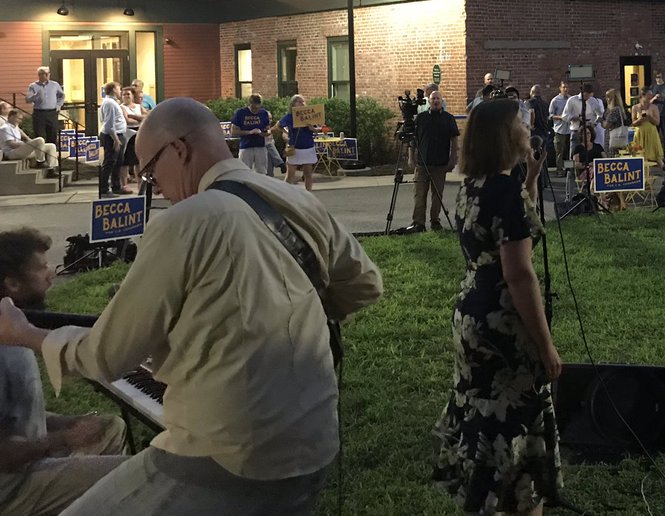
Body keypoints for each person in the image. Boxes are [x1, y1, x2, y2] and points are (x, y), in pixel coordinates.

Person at [0, 97, 383, 514]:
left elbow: (105, 355)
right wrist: (287, 318)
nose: (156, 186)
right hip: (314, 443)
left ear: (179, 150)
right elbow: (363, 285)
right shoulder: (296, 199)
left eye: (150, 172)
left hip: (224, 452)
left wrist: (24, 333)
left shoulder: (184, 221)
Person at [433, 97, 562, 515]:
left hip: (471, 313)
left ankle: (484, 498)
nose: (528, 129)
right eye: (521, 124)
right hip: (504, 321)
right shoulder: (504, 191)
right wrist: (546, 346)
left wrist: (532, 180)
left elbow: (505, 223)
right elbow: (519, 274)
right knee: (514, 421)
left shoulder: (475, 186)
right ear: (507, 136)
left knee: (484, 416)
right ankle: (516, 505)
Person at [0, 227, 129, 515]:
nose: (52, 274)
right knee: (130, 475)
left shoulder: (14, 329)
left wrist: (68, 423)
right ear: (12, 284)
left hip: (24, 462)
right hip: (11, 487)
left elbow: (13, 415)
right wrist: (65, 440)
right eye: (42, 268)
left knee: (111, 428)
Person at [403, 89, 460, 235]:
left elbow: (454, 140)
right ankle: (418, 223)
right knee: (419, 194)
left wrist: (453, 158)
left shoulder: (448, 119)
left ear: (442, 101)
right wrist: (411, 156)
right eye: (433, 99)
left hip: (440, 163)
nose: (435, 101)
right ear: (429, 100)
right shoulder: (420, 118)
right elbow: (413, 140)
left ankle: (435, 221)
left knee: (437, 195)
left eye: (438, 99)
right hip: (422, 163)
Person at [0, 102, 59, 174]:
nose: (20, 121)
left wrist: (30, 142)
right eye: (19, 119)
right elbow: (12, 144)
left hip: (20, 149)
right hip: (12, 153)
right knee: (40, 140)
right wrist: (28, 144)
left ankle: (52, 169)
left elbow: (24, 136)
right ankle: (40, 162)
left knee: (51, 146)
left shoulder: (15, 126)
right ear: (12, 117)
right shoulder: (5, 128)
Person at [276, 94, 318, 191]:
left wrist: (312, 128)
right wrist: (286, 132)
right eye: (299, 101)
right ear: (293, 104)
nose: (302, 103)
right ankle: (286, 193)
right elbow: (279, 125)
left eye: (303, 101)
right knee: (290, 174)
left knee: (308, 173)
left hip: (308, 146)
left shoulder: (309, 116)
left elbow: (318, 129)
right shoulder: (290, 116)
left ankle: (308, 193)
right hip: (295, 147)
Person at [98, 82, 129, 195]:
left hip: (118, 134)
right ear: (114, 90)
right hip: (112, 136)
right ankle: (104, 189)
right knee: (109, 162)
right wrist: (116, 140)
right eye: (119, 89)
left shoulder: (113, 102)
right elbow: (109, 124)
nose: (120, 91)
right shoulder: (110, 103)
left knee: (118, 162)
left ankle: (116, 186)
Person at [230, 93, 272, 175]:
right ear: (249, 104)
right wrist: (249, 132)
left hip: (260, 145)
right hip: (246, 145)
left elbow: (268, 130)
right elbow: (233, 131)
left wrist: (264, 133)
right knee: (245, 171)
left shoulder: (263, 113)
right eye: (253, 108)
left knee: (261, 171)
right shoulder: (241, 113)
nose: (255, 110)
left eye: (258, 108)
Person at [25, 67, 64, 151]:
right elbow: (28, 99)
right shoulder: (33, 86)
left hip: (52, 113)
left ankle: (52, 157)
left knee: (52, 134)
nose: (46, 75)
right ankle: (41, 159)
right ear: (39, 75)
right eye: (43, 73)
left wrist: (58, 105)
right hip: (39, 113)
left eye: (47, 73)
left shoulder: (55, 85)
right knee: (40, 136)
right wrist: (36, 95)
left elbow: (62, 96)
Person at [561, 84, 605, 151]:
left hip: (589, 131)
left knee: (590, 152)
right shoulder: (572, 100)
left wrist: (595, 124)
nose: (587, 98)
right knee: (574, 151)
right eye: (586, 95)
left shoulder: (593, 101)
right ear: (582, 92)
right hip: (576, 130)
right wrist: (575, 118)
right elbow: (564, 116)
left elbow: (600, 114)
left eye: (589, 96)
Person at [119, 86, 145, 192]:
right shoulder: (121, 107)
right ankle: (124, 185)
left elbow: (147, 117)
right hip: (128, 135)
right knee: (125, 162)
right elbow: (127, 121)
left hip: (139, 134)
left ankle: (140, 185)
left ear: (133, 95)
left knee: (138, 161)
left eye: (128, 94)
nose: (126, 96)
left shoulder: (139, 106)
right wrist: (139, 118)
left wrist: (133, 116)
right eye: (124, 94)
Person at [631, 89, 665, 165]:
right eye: (648, 95)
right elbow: (633, 123)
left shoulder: (654, 107)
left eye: (651, 95)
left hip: (651, 133)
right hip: (640, 133)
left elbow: (657, 122)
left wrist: (649, 117)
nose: (651, 97)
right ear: (642, 96)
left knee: (658, 158)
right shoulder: (635, 107)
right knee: (639, 157)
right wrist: (640, 119)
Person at [648, 72, 665, 155]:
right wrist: (654, 98)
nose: (658, 79)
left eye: (660, 77)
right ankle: (655, 154)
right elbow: (648, 102)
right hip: (655, 115)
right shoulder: (652, 87)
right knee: (654, 135)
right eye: (657, 77)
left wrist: (664, 97)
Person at [549, 81, 571, 176]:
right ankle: (559, 170)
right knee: (559, 151)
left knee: (570, 150)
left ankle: (569, 169)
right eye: (563, 87)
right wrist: (561, 117)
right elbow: (550, 115)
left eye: (567, 87)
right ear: (560, 88)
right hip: (559, 129)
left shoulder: (571, 99)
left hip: (570, 128)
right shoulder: (555, 100)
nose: (565, 89)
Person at [600, 88, 627, 157]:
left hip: (613, 138)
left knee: (612, 157)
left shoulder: (614, 110)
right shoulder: (618, 109)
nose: (606, 99)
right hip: (616, 138)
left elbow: (606, 125)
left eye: (608, 97)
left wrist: (600, 120)